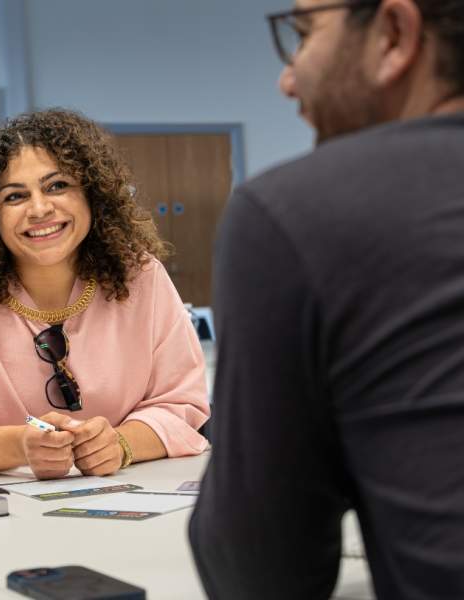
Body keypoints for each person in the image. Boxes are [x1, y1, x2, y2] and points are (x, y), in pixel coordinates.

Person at [190, 1, 464, 598]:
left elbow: (260, 571)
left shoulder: (296, 212)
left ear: (394, 32)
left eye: (304, 34)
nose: (287, 78)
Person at [0, 109, 209, 479]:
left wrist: (120, 444)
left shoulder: (141, 275)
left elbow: (182, 401)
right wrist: (19, 446)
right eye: (14, 196)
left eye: (57, 186)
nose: (40, 209)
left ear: (93, 196)